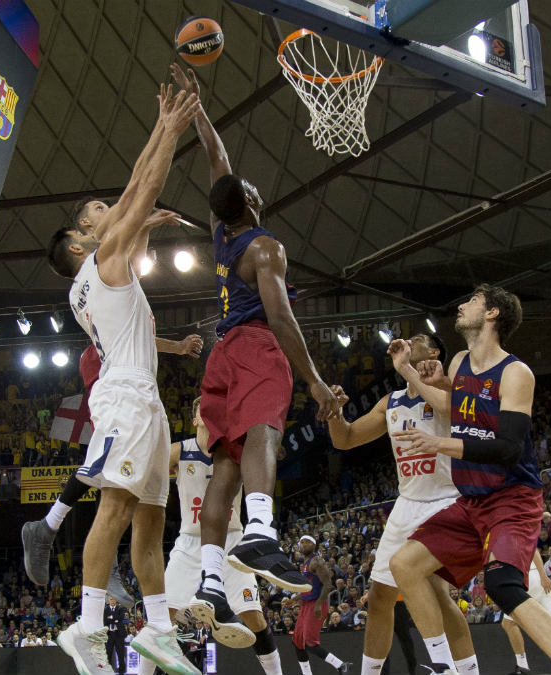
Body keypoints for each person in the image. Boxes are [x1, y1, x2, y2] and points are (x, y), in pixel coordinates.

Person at [46, 81, 201, 675]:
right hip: (126, 398)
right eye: (94, 218)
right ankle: (86, 629)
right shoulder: (101, 260)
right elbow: (149, 186)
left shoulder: (94, 272)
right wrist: (174, 131)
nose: (109, 210)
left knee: (151, 519)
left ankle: (158, 630)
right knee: (112, 509)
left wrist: (161, 122)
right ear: (82, 241)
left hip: (146, 400)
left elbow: (137, 187)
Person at [168, 63, 336, 608]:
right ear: (251, 201)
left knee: (225, 465)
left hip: (220, 356)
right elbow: (282, 320)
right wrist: (313, 380)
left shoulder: (222, 234)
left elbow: (219, 163)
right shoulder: (264, 247)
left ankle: (211, 579)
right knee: (265, 430)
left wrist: (198, 113)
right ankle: (261, 532)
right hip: (255, 344)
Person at [388, 284, 551, 675]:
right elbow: (453, 406)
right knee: (404, 565)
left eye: (473, 301)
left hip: (512, 496)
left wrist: (439, 443)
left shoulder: (516, 373)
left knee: (502, 586)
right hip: (472, 500)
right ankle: (445, 668)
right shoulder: (460, 362)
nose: (462, 305)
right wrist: (408, 372)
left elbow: (508, 448)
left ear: (493, 314)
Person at [326, 333, 480, 675]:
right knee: (380, 596)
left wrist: (412, 369)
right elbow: (346, 439)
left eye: (418, 339)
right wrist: (334, 413)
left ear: (434, 351)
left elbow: (457, 411)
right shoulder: (391, 401)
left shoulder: (446, 388)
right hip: (407, 502)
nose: (408, 341)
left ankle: (463, 671)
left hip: (444, 500)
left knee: (437, 591)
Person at [22, 323, 202, 606]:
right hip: (117, 400)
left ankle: (52, 529)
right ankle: (66, 540)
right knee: (112, 481)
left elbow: (143, 339)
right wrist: (177, 347)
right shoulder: (104, 341)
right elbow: (142, 336)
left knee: (119, 485)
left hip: (132, 400)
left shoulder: (122, 339)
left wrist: (177, 348)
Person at [161, 397, 284, 675]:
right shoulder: (179, 451)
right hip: (191, 541)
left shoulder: (236, 450)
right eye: (202, 407)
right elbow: (148, 469)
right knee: (161, 618)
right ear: (194, 419)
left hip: (231, 539)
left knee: (254, 617)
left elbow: (271, 454)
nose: (210, 409)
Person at [291, 536, 351, 675]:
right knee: (297, 643)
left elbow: (328, 584)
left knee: (310, 643)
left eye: (307, 542)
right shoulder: (305, 563)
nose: (304, 544)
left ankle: (341, 665)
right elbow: (311, 586)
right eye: (302, 542)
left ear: (314, 545)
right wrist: (295, 598)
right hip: (306, 604)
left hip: (316, 604)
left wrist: (318, 605)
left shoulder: (316, 560)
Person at [500, 551, 551, 675]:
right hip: (532, 576)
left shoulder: (507, 533)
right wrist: (543, 575)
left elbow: (534, 550)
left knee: (508, 623)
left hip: (526, 577)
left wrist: (543, 575)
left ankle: (522, 666)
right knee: (548, 627)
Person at [104, 595, 129, 675]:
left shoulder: (121, 608)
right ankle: (109, 672)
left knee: (121, 654)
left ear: (116, 600)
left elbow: (121, 617)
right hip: (109, 634)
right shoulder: (105, 609)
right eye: (111, 599)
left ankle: (122, 672)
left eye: (113, 599)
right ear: (108, 600)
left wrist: (111, 618)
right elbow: (105, 621)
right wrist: (116, 620)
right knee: (108, 654)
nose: (112, 601)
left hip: (119, 635)